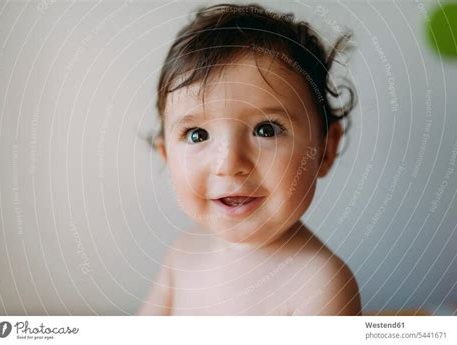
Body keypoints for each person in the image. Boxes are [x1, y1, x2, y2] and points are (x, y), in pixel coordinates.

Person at [138, 3, 361, 315]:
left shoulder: (318, 284)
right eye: (198, 135)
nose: (229, 163)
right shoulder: (183, 254)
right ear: (166, 156)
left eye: (266, 130)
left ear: (324, 150)